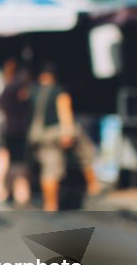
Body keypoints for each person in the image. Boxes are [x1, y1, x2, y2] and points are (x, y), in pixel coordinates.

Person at [28, 62, 101, 211]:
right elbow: (64, 111)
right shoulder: (58, 91)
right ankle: (94, 185)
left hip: (38, 135)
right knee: (85, 153)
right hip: (56, 132)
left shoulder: (32, 91)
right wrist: (67, 132)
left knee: (49, 168)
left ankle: (50, 204)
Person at [0, 60, 32, 206]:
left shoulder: (6, 87)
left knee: (8, 159)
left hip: (8, 129)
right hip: (16, 130)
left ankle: (6, 190)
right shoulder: (16, 87)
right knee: (15, 161)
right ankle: (17, 192)